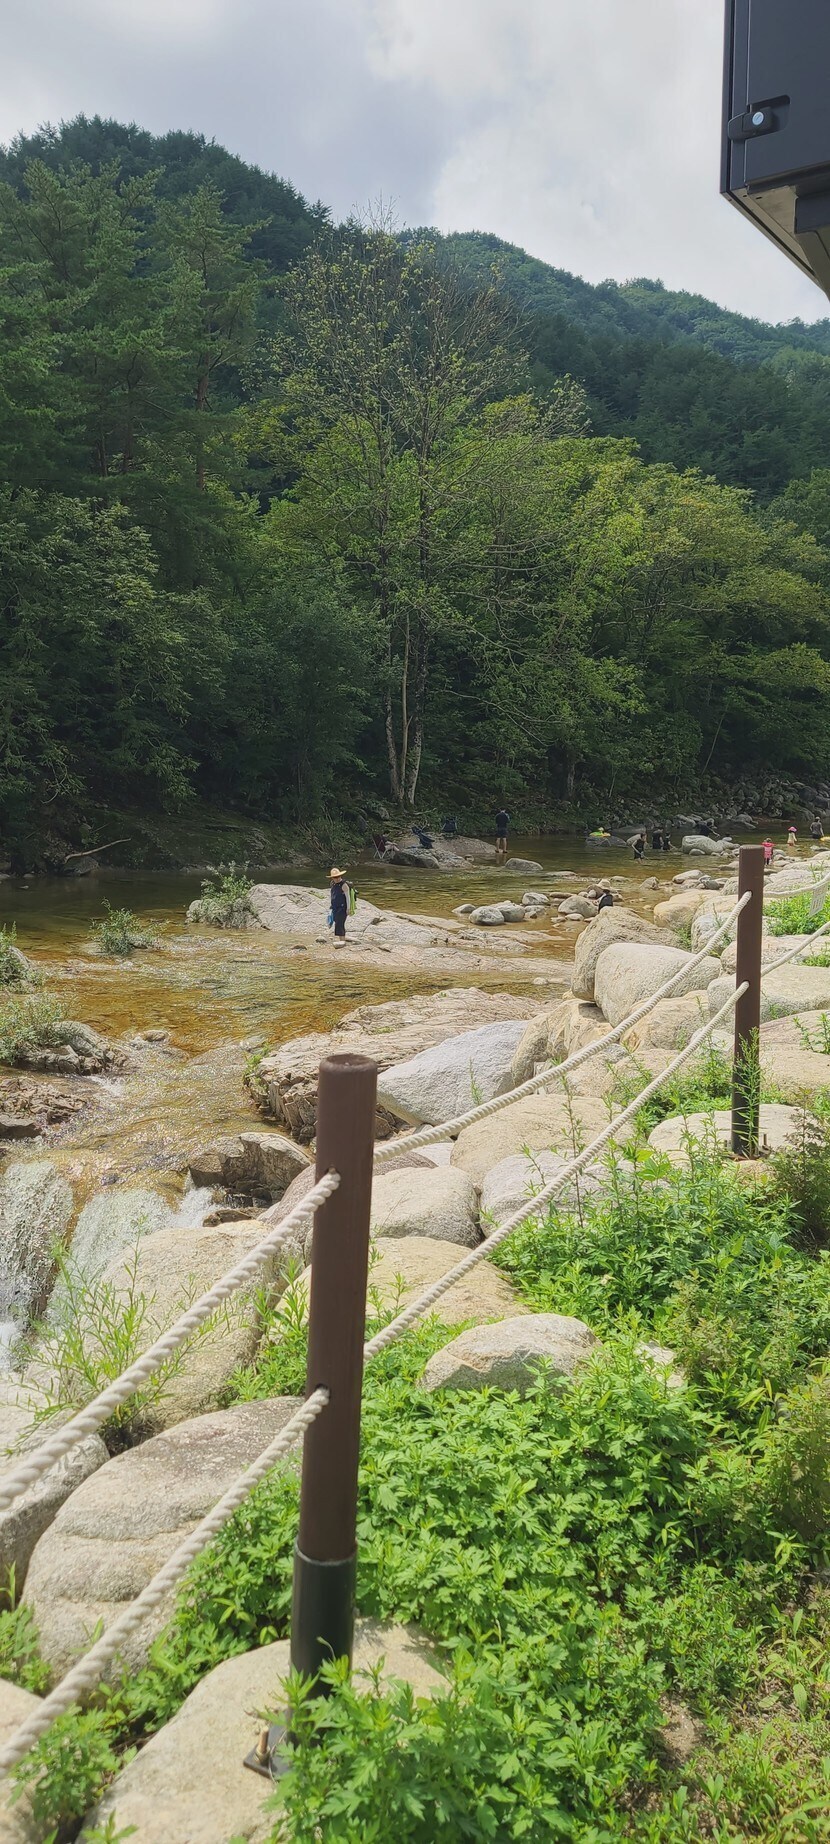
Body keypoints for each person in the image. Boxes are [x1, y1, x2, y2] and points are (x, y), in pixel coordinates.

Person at [329, 867, 349, 945]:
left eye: (338, 876)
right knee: (336, 921)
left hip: (342, 908)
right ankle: (342, 939)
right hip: (335, 907)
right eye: (335, 877)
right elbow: (333, 895)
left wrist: (348, 908)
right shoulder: (332, 884)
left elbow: (348, 897)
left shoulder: (344, 885)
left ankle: (342, 941)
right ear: (332, 878)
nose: (337, 878)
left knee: (340, 923)